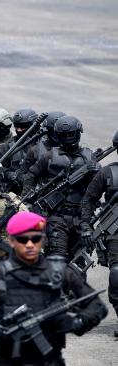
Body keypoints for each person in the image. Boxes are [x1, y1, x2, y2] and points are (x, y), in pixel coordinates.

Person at [0, 211, 108, 366]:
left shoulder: (59, 273)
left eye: (36, 239)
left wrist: (77, 322)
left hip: (49, 360)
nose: (30, 245)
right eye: (23, 240)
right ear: (11, 241)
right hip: (8, 359)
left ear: (44, 240)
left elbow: (97, 307)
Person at [22, 116, 99, 260]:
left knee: (78, 262)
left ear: (78, 133)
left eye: (71, 134)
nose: (68, 137)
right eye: (64, 135)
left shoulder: (89, 157)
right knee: (57, 258)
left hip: (81, 218)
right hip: (56, 217)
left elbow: (96, 188)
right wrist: (27, 197)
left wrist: (95, 173)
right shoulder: (49, 156)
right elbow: (31, 175)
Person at [81, 130, 118, 337]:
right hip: (114, 231)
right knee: (116, 274)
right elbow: (88, 200)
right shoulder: (107, 173)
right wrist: (86, 226)